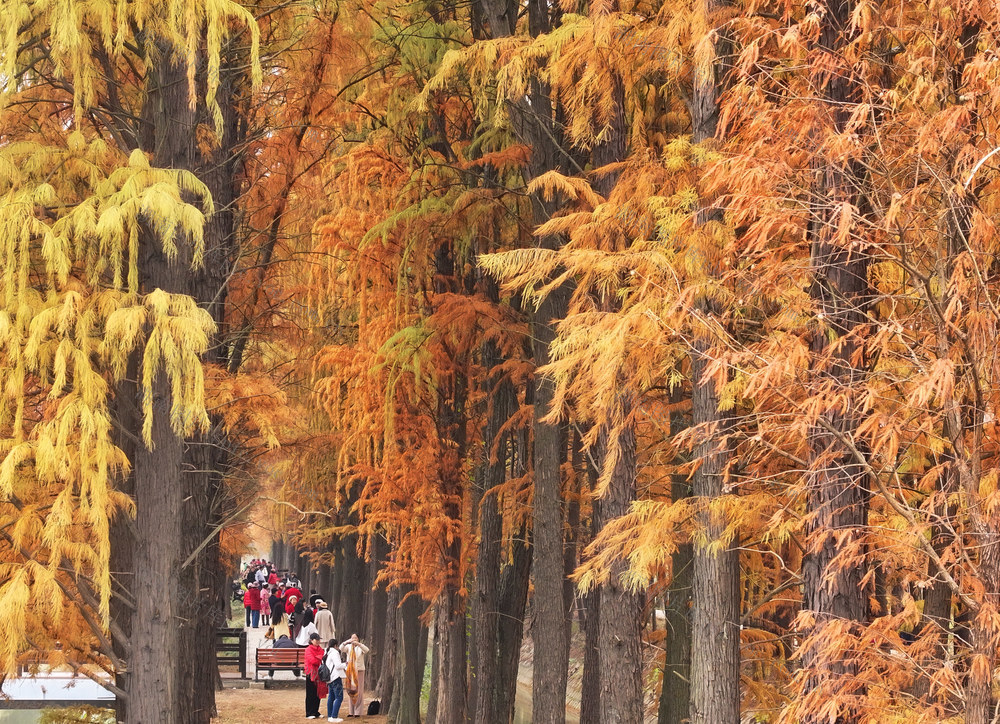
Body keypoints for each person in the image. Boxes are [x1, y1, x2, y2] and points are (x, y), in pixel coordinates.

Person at [340, 634, 370, 717]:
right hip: (350, 670)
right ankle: (351, 711)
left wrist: (359, 644)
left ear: (358, 639)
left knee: (359, 690)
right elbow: (341, 648)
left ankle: (358, 712)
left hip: (359, 670)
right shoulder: (348, 647)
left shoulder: (360, 647)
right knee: (350, 689)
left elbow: (367, 650)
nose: (353, 639)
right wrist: (347, 642)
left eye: (355, 638)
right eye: (352, 638)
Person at [304, 632, 328, 719]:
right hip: (311, 674)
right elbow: (313, 661)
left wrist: (319, 657)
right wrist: (320, 657)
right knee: (310, 694)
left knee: (318, 693)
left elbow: (323, 657)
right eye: (316, 640)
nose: (318, 641)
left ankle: (315, 711)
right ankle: (309, 712)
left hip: (319, 674)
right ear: (311, 640)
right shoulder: (308, 650)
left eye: (318, 640)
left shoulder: (320, 649)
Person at [325, 638, 348, 723]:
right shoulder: (334, 653)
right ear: (335, 646)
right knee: (339, 697)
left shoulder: (328, 652)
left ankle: (330, 715)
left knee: (331, 697)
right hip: (335, 677)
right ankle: (334, 716)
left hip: (330, 678)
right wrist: (345, 664)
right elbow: (338, 665)